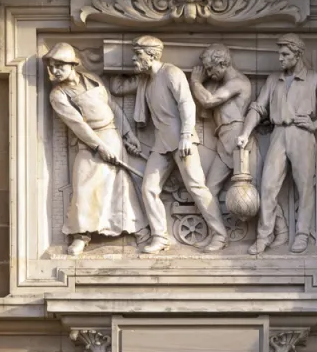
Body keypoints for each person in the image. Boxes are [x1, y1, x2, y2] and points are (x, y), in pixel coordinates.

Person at [111, 36, 228, 254]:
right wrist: (112, 63)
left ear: (152, 55)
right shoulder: (145, 80)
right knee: (149, 188)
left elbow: (186, 104)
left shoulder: (171, 73)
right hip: (162, 144)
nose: (134, 59)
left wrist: (186, 135)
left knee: (196, 187)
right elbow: (117, 88)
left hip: (182, 142)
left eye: (138, 54)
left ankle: (220, 235)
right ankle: (160, 237)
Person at [237, 33, 317, 255]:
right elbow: (258, 108)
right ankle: (264, 236)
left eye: (285, 54)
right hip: (278, 133)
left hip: (302, 134)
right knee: (267, 185)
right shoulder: (273, 80)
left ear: (298, 54)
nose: (280, 58)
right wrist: (245, 132)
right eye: (280, 54)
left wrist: (316, 124)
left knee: (305, 186)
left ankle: (302, 234)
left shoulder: (315, 79)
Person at [44, 42, 149, 256]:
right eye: (52, 66)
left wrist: (128, 134)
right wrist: (100, 147)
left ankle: (139, 229)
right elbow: (78, 125)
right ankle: (81, 235)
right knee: (84, 187)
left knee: (121, 186)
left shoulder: (92, 79)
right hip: (89, 143)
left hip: (113, 135)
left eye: (59, 65)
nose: (55, 70)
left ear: (72, 65)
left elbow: (113, 107)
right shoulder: (58, 95)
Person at [189, 43, 288, 248]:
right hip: (224, 141)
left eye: (210, 69)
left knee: (259, 190)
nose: (209, 73)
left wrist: (195, 81)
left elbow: (209, 101)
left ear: (222, 63)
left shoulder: (239, 82)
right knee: (209, 189)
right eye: (206, 70)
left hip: (240, 142)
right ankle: (218, 236)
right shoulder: (219, 84)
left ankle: (281, 230)